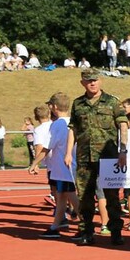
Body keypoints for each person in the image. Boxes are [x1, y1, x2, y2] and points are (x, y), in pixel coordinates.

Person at [64, 68, 128, 246]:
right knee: (84, 196)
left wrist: (123, 151)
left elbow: (123, 126)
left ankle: (116, 231)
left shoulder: (113, 102)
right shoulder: (78, 104)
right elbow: (73, 129)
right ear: (82, 83)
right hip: (84, 157)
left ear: (100, 81)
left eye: (95, 80)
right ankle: (86, 231)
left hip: (108, 157)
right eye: (88, 80)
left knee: (112, 196)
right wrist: (68, 152)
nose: (92, 83)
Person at [35, 93, 78, 238]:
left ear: (54, 107)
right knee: (61, 197)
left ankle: (85, 224)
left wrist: (35, 163)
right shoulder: (72, 121)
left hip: (63, 167)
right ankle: (55, 227)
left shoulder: (57, 124)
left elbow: (47, 146)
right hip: (66, 167)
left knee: (70, 195)